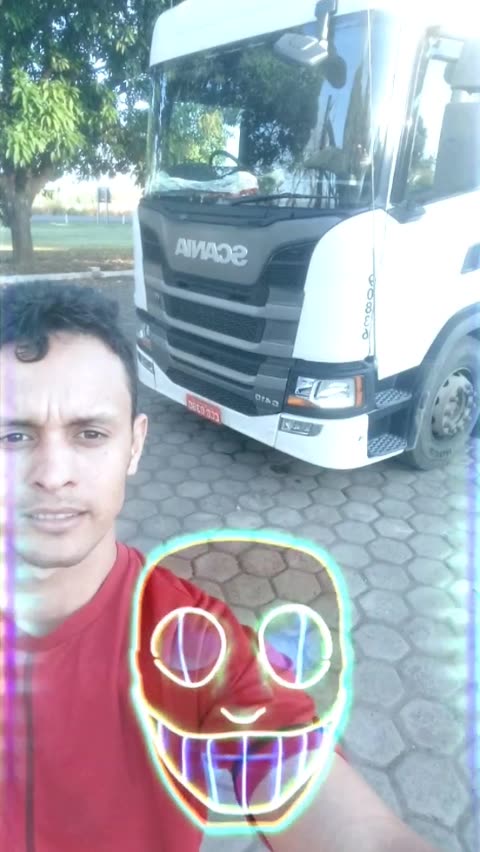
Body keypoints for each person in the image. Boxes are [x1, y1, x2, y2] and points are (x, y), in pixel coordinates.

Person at [0, 282, 437, 852]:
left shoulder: (197, 645)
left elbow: (332, 808)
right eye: (14, 434)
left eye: (90, 434)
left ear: (134, 446)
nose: (53, 474)